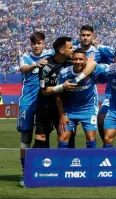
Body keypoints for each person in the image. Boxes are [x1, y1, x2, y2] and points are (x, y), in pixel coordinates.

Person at [16, 32, 52, 187]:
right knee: (26, 137)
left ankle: (46, 171)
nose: (36, 46)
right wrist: (35, 65)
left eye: (39, 43)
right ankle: (25, 173)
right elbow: (23, 69)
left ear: (44, 43)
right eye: (34, 43)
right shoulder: (26, 57)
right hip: (27, 102)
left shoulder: (51, 55)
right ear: (31, 45)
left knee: (45, 135)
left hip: (45, 100)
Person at [56, 48, 107, 149]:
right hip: (69, 110)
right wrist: (62, 114)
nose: (78, 62)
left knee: (91, 137)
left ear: (86, 60)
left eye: (81, 59)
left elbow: (105, 67)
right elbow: (58, 95)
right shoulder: (64, 73)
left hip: (88, 109)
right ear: (72, 60)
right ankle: (62, 163)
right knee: (62, 138)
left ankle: (91, 162)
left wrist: (93, 63)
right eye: (75, 59)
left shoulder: (93, 70)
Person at [68, 25, 103, 148]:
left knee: (91, 136)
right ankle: (69, 161)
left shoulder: (98, 53)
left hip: (88, 98)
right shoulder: (73, 52)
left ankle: (91, 163)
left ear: (93, 36)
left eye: (88, 35)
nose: (85, 38)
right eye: (83, 35)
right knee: (69, 135)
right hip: (71, 98)